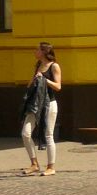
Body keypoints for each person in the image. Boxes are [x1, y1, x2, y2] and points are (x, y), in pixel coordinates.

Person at [20, 42, 61, 176]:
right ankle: (34, 164)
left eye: (37, 49)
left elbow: (58, 86)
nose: (35, 51)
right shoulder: (38, 65)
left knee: (48, 134)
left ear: (44, 52)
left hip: (49, 104)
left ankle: (51, 166)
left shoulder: (54, 66)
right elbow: (31, 84)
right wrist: (33, 81)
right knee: (26, 133)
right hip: (35, 104)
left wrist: (44, 79)